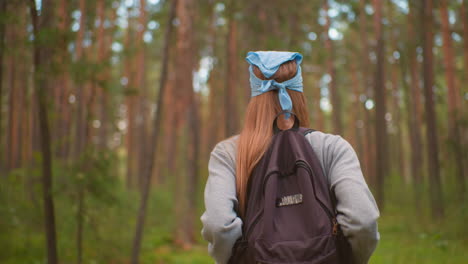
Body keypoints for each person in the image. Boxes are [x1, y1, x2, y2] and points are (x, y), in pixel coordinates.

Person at [200, 51, 380, 264]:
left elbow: (219, 225)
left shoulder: (229, 153)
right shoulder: (332, 147)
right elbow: (362, 221)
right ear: (299, 93)